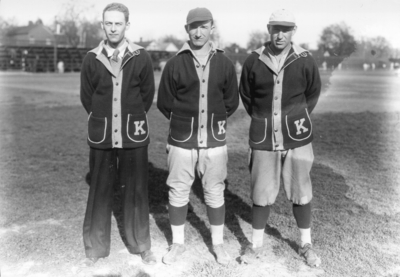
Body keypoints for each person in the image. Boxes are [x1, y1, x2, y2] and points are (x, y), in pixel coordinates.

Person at [239, 9, 322, 267]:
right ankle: (255, 246)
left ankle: (306, 244)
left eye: (286, 29)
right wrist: (267, 119)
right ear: (268, 29)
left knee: (300, 190)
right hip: (264, 135)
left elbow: (312, 94)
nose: (280, 34)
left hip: (297, 135)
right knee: (261, 192)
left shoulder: (305, 59)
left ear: (293, 31)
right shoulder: (254, 60)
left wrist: (294, 117)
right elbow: (247, 96)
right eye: (276, 28)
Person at [157, 7, 239, 265]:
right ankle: (178, 244)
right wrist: (185, 123)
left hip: (214, 140)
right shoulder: (174, 63)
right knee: (178, 190)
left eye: (204, 26)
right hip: (182, 139)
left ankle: (218, 245)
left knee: (215, 191)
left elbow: (231, 102)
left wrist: (210, 123)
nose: (199, 31)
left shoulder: (224, 63)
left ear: (212, 28)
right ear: (186, 29)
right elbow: (164, 103)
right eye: (194, 26)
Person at [80, 3, 156, 266]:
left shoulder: (141, 56)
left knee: (136, 189)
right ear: (103, 25)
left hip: (132, 133)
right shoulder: (92, 57)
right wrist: (105, 117)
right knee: (99, 191)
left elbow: (146, 96)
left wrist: (128, 117)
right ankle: (95, 248)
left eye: (118, 23)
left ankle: (141, 244)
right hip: (102, 134)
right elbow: (87, 97)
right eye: (108, 23)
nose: (113, 28)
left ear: (127, 25)